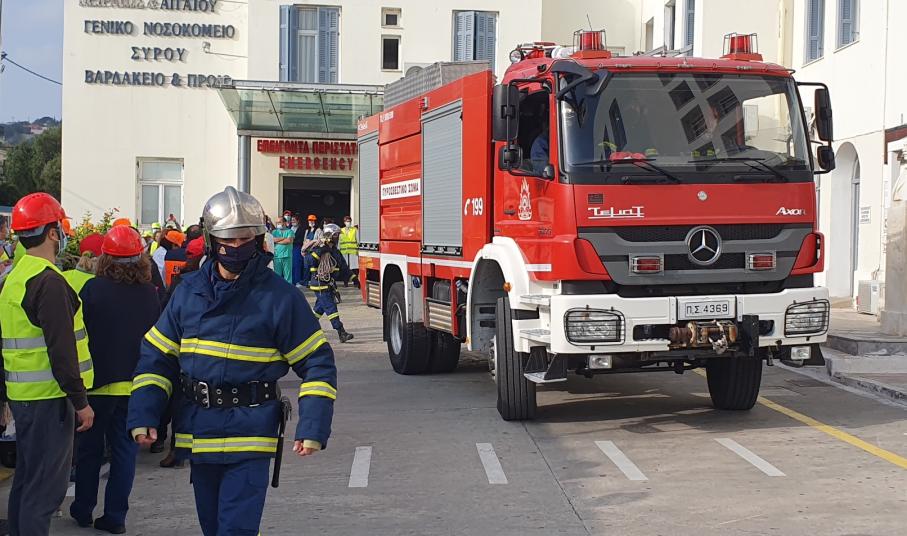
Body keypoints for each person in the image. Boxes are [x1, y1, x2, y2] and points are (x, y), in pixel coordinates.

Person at [127, 186, 337, 536]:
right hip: (200, 435)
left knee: (235, 530)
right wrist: (144, 414)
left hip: (251, 436)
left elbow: (317, 364)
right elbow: (156, 359)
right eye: (229, 239)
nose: (237, 247)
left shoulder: (280, 298)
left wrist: (313, 426)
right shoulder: (188, 292)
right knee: (213, 529)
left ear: (258, 240)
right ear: (212, 240)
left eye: (245, 239)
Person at [0, 193, 95, 536]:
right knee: (45, 492)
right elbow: (62, 350)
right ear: (53, 233)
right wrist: (81, 402)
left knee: (27, 482)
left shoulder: (15, 276)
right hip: (50, 400)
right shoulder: (50, 281)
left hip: (23, 397)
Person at [70, 226, 160, 534]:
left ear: (105, 259)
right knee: (125, 454)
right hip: (134, 386)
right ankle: (115, 517)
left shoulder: (92, 290)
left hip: (97, 385)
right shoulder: (150, 293)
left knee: (89, 451)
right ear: (141, 259)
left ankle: (82, 509)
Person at [306, 223, 355, 343]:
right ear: (330, 235)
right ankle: (341, 332)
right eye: (336, 235)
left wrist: (353, 278)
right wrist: (321, 251)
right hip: (320, 283)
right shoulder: (320, 248)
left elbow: (343, 266)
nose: (338, 237)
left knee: (319, 309)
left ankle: (306, 330)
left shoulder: (335, 251)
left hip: (329, 284)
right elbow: (309, 261)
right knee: (331, 308)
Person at [299, 214, 322, 287]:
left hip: (314, 251)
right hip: (307, 252)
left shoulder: (319, 230)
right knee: (306, 268)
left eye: (312, 220)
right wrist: (303, 250)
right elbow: (304, 241)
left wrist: (311, 243)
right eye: (309, 220)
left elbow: (319, 241)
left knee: (314, 268)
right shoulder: (307, 231)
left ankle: (314, 282)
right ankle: (305, 282)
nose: (311, 222)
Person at [271, 217, 295, 283]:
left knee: (287, 276)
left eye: (279, 222)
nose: (278, 224)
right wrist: (283, 238)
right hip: (277, 256)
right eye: (277, 222)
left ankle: (288, 288)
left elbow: (289, 241)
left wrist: (277, 241)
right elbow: (272, 240)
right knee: (277, 276)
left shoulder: (290, 231)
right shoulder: (274, 232)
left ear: (284, 223)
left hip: (287, 256)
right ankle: (277, 288)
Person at [338, 216, 358, 285]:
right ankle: (345, 282)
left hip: (353, 251)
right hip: (344, 252)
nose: (348, 223)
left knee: (354, 268)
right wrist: (338, 251)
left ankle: (355, 282)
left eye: (349, 221)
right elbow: (339, 242)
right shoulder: (341, 230)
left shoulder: (354, 230)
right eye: (347, 221)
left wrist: (358, 250)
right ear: (344, 222)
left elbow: (357, 240)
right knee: (345, 268)